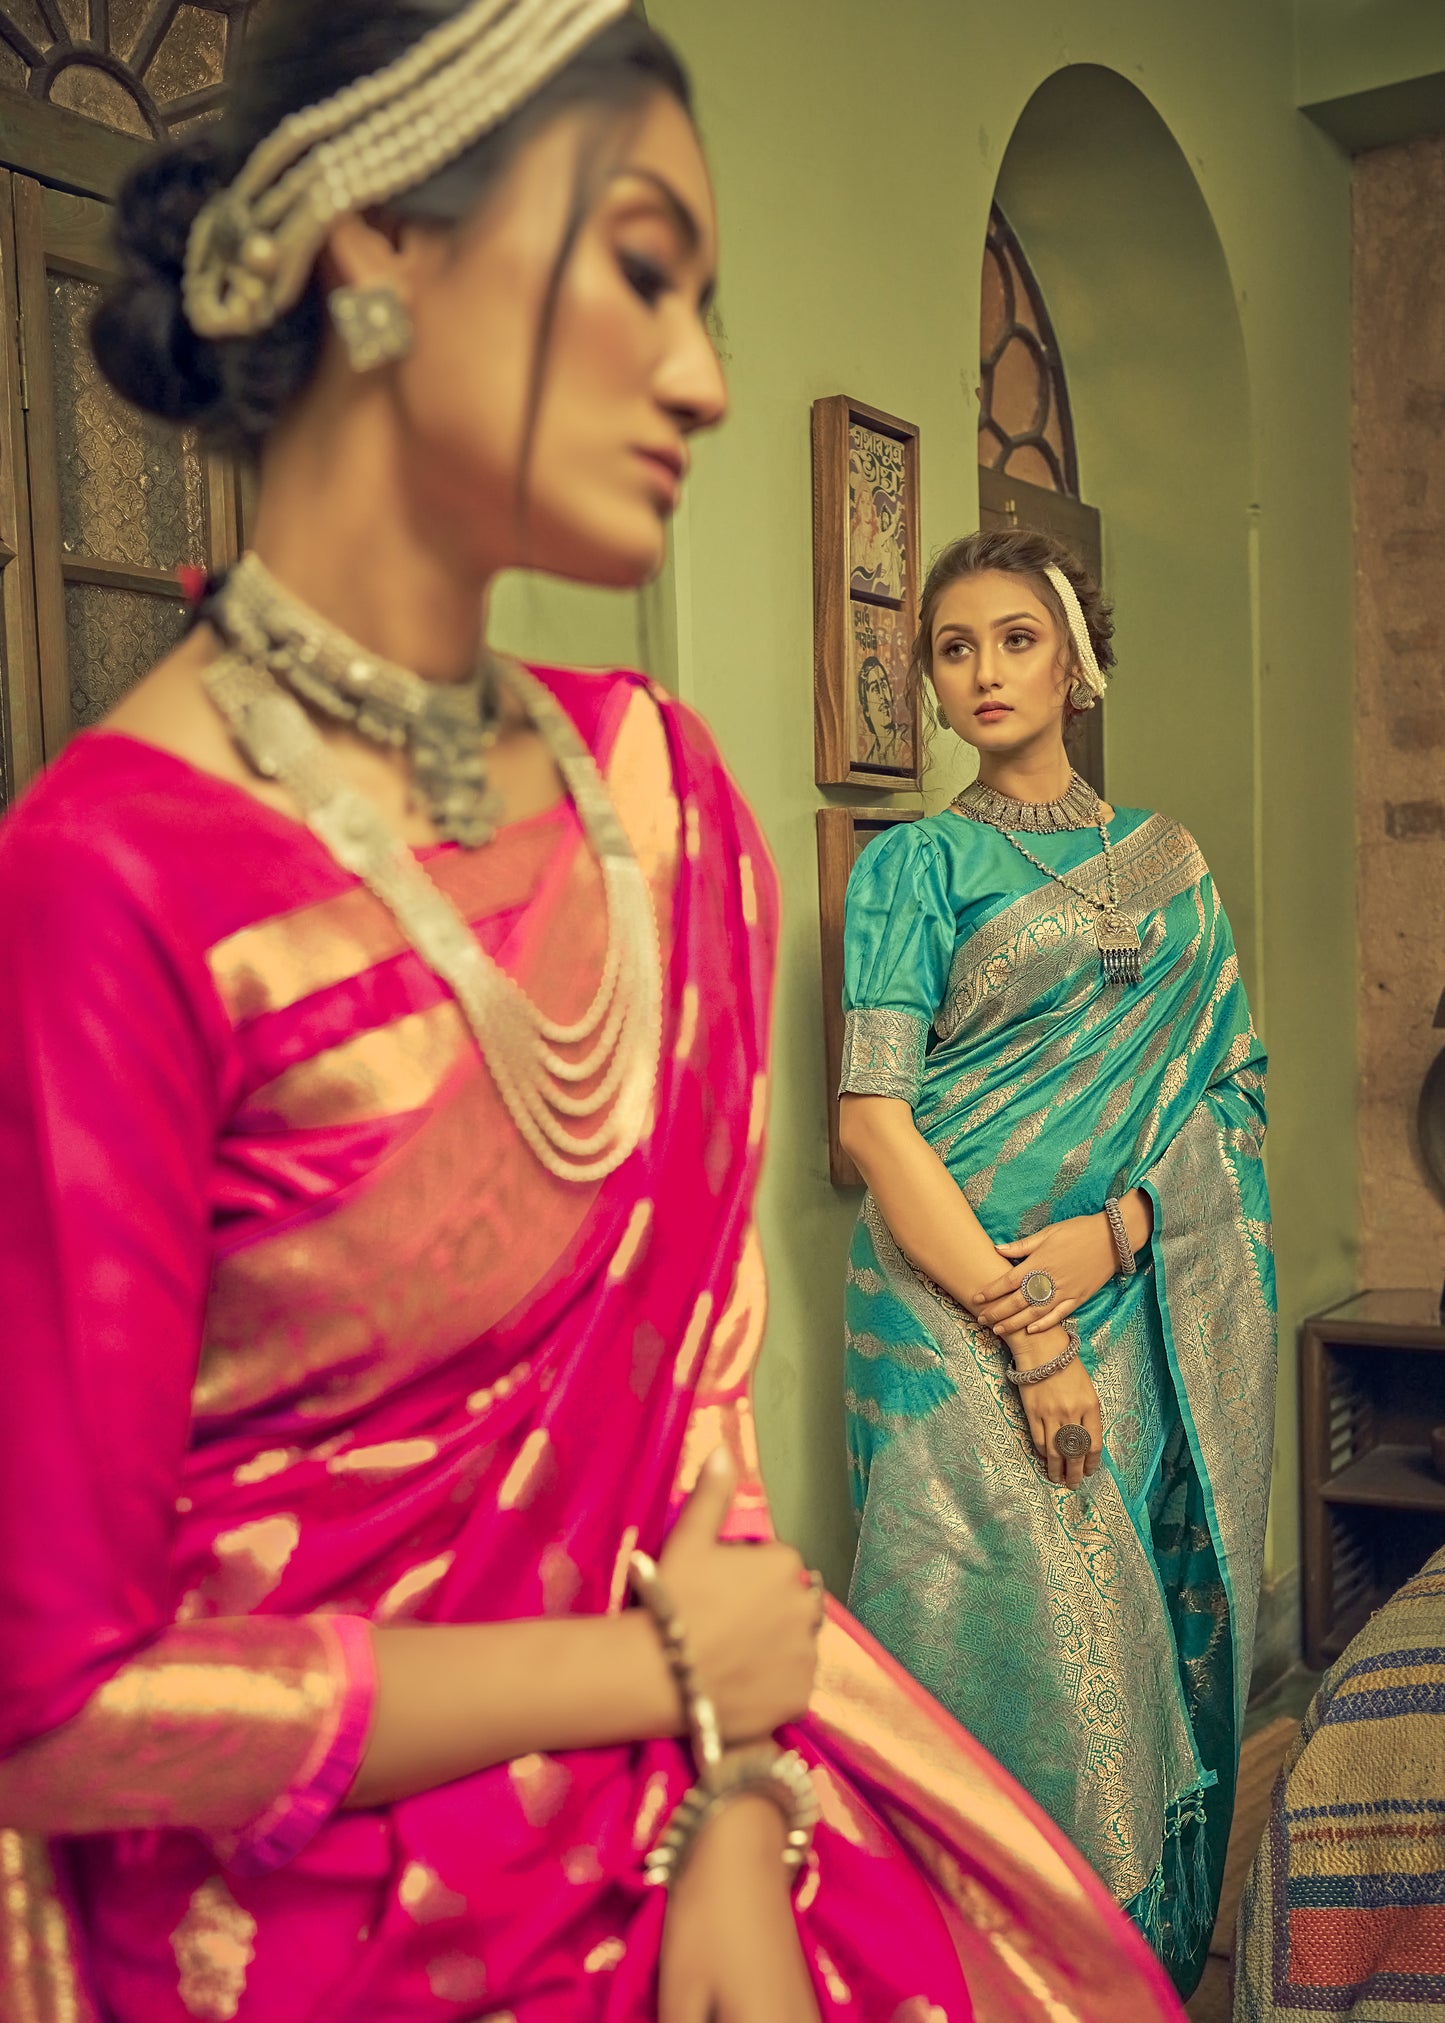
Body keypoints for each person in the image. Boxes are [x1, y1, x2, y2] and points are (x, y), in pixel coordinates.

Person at [0, 10, 1186, 2019]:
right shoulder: (117, 878)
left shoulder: (667, 809)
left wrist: (733, 1810)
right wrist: (652, 1677)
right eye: (643, 271)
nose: (706, 376)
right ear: (381, 251)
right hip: (305, 1935)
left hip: (698, 1842)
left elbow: (697, 1426)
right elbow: (65, 1707)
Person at [839, 528, 1278, 2001]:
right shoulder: (914, 866)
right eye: (952, 649)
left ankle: (1114, 1980)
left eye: (1014, 638)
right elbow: (874, 1129)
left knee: (1125, 1663)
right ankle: (965, 1979)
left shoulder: (1170, 865)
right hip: (946, 1321)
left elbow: (1231, 1093)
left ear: (1075, 661)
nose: (982, 672)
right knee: (996, 1647)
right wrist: (1025, 1331)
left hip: (1129, 1304)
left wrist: (1125, 1232)